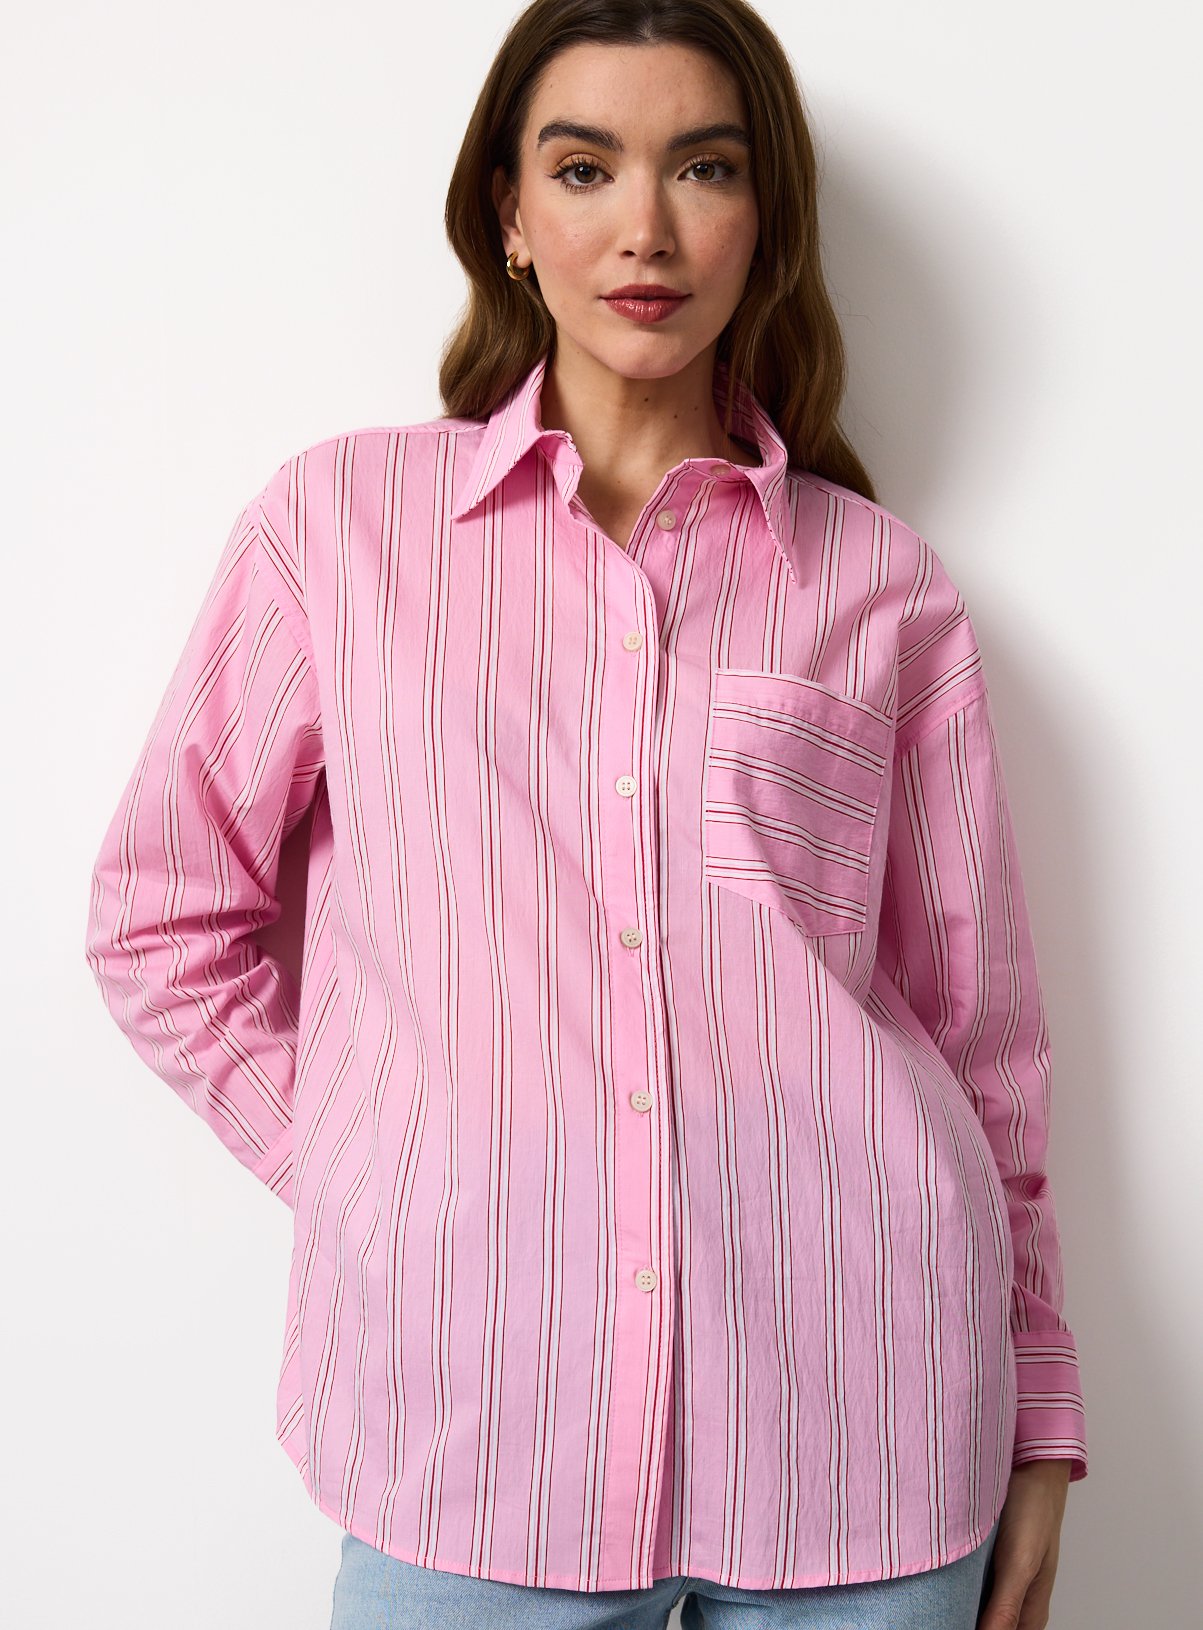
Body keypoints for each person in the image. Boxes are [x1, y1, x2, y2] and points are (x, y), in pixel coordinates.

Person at [83, 1, 1088, 1626]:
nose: (646, 230)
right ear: (509, 213)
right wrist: (368, 1163)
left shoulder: (879, 586)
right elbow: (160, 916)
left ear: (763, 219)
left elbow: (986, 1041)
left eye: (705, 167)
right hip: (475, 1435)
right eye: (583, 167)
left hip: (870, 1427)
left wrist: (1041, 1408)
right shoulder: (337, 533)